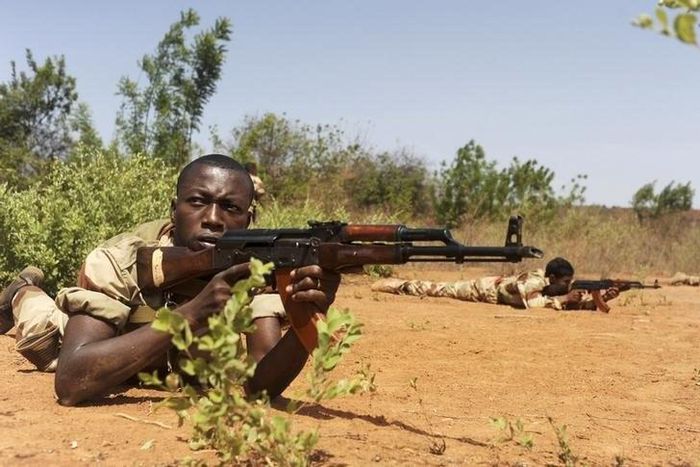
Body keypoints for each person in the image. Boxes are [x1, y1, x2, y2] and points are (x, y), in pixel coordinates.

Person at [0, 154, 339, 406]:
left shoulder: (260, 267)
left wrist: (304, 319)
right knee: (41, 333)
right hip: (78, 342)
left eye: (230, 208)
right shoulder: (122, 260)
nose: (212, 219)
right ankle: (21, 290)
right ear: (174, 209)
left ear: (249, 219)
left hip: (162, 367)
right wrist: (189, 316)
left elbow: (260, 386)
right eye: (198, 202)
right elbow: (72, 383)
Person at [371, 257, 619, 310]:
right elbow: (527, 301)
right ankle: (395, 285)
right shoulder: (533, 279)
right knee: (435, 288)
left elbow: (560, 304)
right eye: (565, 282)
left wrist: (600, 299)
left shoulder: (550, 289)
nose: (568, 286)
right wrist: (563, 299)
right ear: (552, 278)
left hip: (494, 292)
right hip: (483, 289)